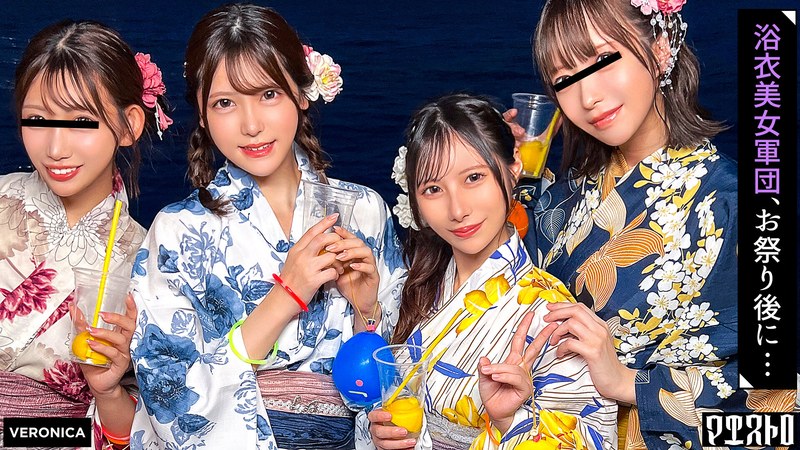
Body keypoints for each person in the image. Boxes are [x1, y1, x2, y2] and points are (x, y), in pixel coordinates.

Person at [129, 4, 406, 449]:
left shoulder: (364, 211)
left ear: (301, 92)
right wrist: (287, 295)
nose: (252, 124)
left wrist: (366, 309)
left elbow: (399, 376)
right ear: (201, 112)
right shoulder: (176, 231)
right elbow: (169, 397)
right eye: (225, 103)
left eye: (269, 94)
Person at [521, 0, 795, 448]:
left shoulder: (738, 202)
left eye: (604, 59)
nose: (587, 97)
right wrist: (498, 178)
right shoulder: (561, 196)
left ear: (661, 47)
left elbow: (782, 406)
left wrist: (629, 383)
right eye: (564, 80)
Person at [361, 94, 617, 450]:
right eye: (433, 189)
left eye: (474, 177)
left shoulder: (550, 312)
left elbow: (592, 439)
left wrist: (509, 421)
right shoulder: (414, 286)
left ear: (513, 169)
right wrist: (382, 432)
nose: (457, 210)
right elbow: (372, 397)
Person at [0, 20, 170, 449]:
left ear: (129, 124)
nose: (55, 148)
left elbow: (129, 438)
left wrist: (107, 391)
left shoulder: (150, 259)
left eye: (80, 121)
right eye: (37, 120)